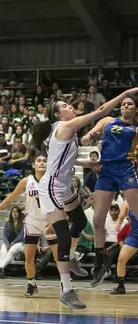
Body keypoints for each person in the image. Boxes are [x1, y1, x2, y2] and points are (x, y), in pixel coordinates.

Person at [32, 87, 138, 309]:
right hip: (51, 187)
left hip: (63, 185)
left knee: (80, 221)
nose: (69, 106)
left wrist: (85, 164)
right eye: (64, 106)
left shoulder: (61, 130)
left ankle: (69, 258)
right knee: (62, 236)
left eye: (68, 104)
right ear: (59, 115)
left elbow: (61, 159)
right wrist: (125, 93)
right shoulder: (66, 126)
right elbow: (100, 111)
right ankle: (66, 290)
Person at [0, 154, 63, 297]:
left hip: (48, 221)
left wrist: (55, 220)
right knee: (29, 257)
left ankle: (65, 285)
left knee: (58, 257)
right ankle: (32, 284)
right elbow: (11, 197)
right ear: (33, 164)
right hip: (31, 221)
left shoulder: (52, 181)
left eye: (44, 161)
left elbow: (59, 202)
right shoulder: (26, 181)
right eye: (39, 160)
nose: (42, 163)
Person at [81, 89, 138, 287]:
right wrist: (92, 136)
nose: (125, 106)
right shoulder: (107, 122)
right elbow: (85, 139)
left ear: (136, 109)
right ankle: (100, 265)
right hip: (105, 171)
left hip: (126, 171)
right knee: (97, 220)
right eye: (124, 103)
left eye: (130, 104)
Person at [111, 201, 138, 294]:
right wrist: (118, 223)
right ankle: (121, 287)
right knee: (121, 259)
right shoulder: (128, 201)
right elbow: (121, 217)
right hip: (134, 236)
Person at [0, 206, 24, 279]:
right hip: (8, 242)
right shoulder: (7, 223)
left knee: (12, 250)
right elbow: (4, 235)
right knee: (2, 252)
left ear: (19, 213)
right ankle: (1, 272)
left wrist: (13, 243)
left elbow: (21, 236)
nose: (14, 213)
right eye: (13, 211)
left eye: (16, 211)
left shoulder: (23, 223)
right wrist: (7, 243)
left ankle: (0, 268)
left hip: (20, 243)